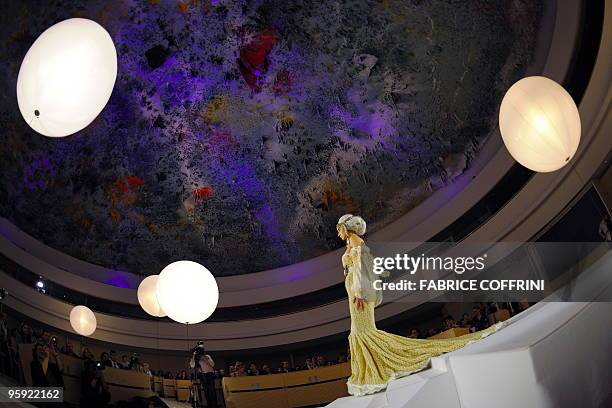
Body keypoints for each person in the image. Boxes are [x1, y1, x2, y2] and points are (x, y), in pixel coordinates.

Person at [336, 214, 504, 396]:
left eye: (339, 229)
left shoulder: (354, 239)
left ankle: (378, 368)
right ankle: (374, 369)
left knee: (363, 331)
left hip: (359, 292)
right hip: (354, 290)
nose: (338, 233)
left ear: (345, 228)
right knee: (361, 331)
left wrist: (360, 291)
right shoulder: (352, 242)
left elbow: (362, 267)